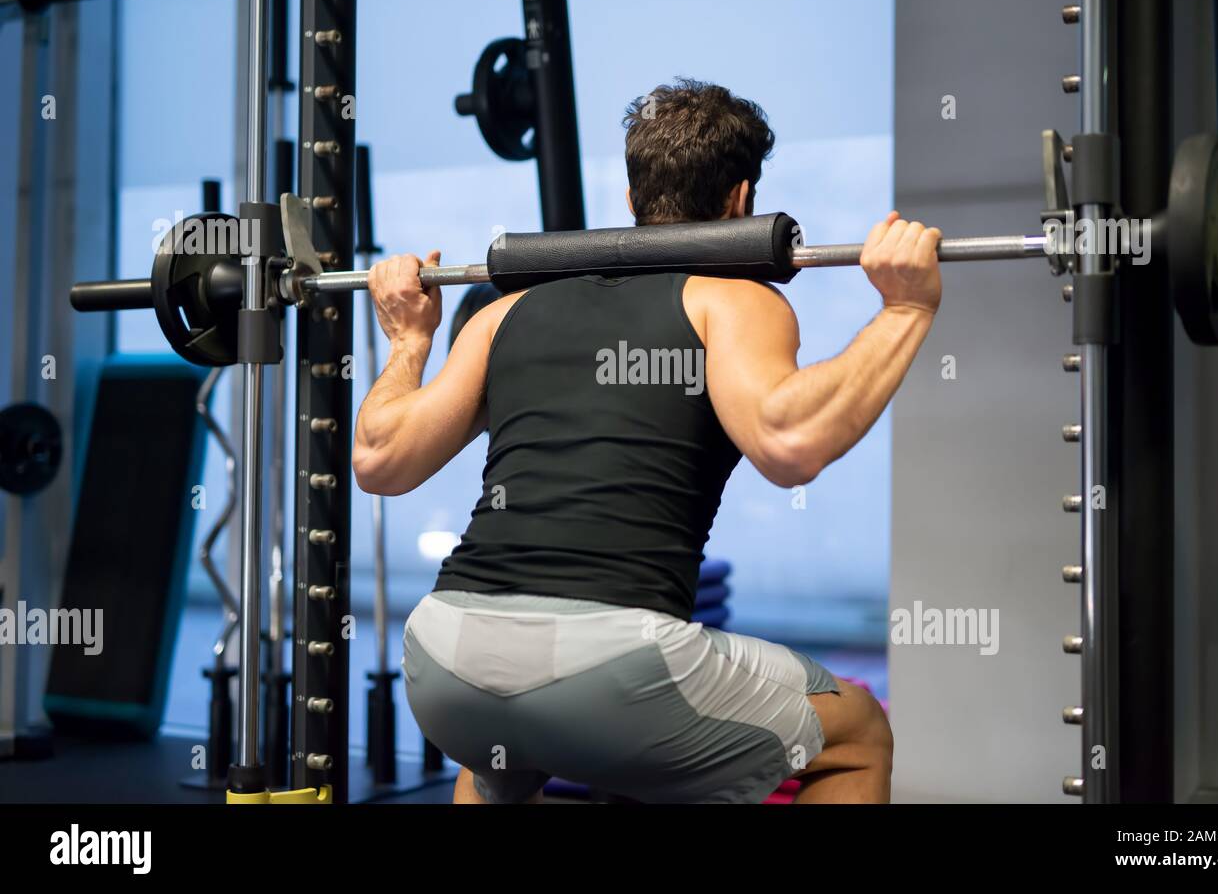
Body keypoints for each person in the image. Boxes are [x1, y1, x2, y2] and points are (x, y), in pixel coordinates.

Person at [354, 79, 941, 803]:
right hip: (614, 669)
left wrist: (409, 341)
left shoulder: (506, 313)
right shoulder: (731, 299)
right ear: (741, 198)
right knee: (857, 737)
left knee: (499, 750)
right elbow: (791, 441)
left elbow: (378, 459)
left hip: (446, 656)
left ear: (632, 200)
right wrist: (906, 306)